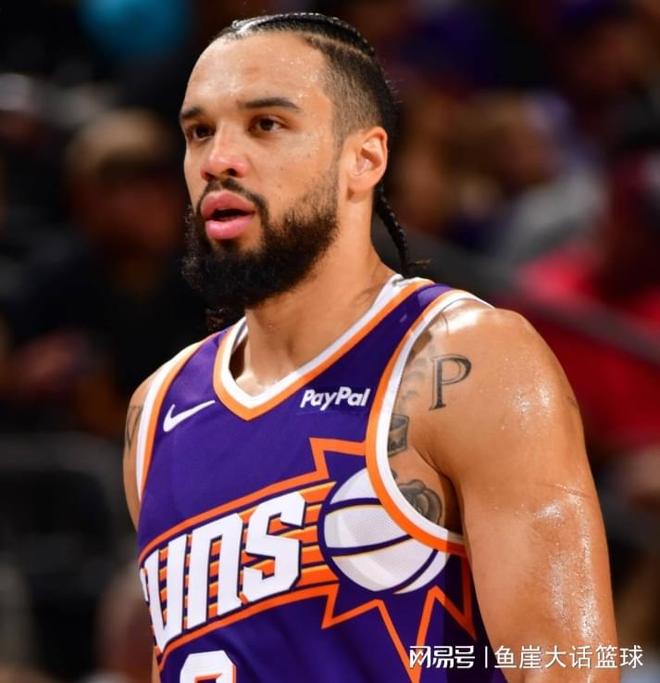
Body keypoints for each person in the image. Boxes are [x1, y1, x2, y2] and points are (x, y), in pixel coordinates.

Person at [123, 13, 618, 682]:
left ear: (365, 159)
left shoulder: (464, 359)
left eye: (266, 124)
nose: (218, 160)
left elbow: (571, 666)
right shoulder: (156, 412)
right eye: (199, 132)